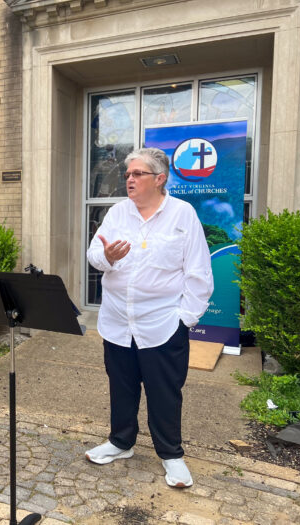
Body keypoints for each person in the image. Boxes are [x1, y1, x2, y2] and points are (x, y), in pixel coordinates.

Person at [86, 147, 213, 488]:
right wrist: (107, 258)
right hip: (117, 322)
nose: (129, 178)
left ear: (160, 179)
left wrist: (183, 319)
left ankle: (171, 455)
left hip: (162, 325)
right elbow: (94, 253)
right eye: (127, 174)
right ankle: (121, 442)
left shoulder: (182, 215)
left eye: (137, 174)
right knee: (121, 387)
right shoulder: (117, 214)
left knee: (164, 393)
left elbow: (199, 272)